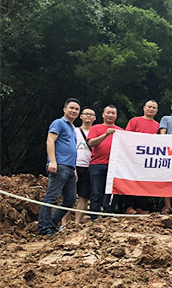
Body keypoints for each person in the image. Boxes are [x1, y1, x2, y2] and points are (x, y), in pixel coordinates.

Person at [38, 98, 81, 237]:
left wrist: (74, 169)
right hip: (59, 165)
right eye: (71, 108)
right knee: (52, 197)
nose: (74, 111)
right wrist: (52, 161)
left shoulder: (73, 129)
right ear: (64, 109)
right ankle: (44, 228)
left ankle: (51, 223)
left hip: (69, 168)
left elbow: (71, 149)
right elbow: (50, 141)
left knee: (70, 199)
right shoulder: (58, 123)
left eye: (76, 109)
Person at [87, 105, 124, 219]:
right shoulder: (95, 128)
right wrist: (106, 134)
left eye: (113, 113)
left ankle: (107, 217)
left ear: (116, 116)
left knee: (112, 193)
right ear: (103, 114)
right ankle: (94, 218)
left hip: (115, 166)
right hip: (97, 164)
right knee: (96, 192)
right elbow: (91, 143)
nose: (110, 115)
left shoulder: (121, 131)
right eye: (108, 112)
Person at [61, 106, 96, 226]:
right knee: (68, 195)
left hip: (89, 166)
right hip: (73, 165)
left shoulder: (96, 132)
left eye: (91, 114)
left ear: (95, 118)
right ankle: (64, 223)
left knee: (84, 196)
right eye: (85, 114)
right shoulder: (73, 131)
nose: (88, 116)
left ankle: (77, 223)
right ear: (81, 116)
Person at [123, 100, 160, 214]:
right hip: (133, 157)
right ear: (144, 108)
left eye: (154, 108)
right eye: (149, 107)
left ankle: (140, 207)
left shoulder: (158, 125)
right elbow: (126, 137)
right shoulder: (135, 121)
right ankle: (128, 206)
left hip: (148, 159)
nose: (151, 109)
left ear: (157, 110)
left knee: (144, 182)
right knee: (130, 181)